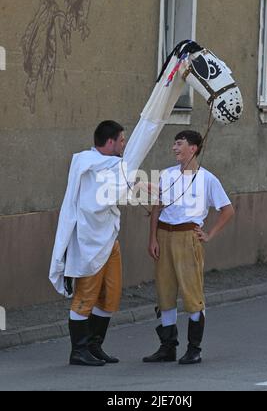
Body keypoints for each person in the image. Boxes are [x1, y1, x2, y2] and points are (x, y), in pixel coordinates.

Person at [49, 51, 187, 367]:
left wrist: (145, 189)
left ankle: (94, 345)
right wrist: (142, 189)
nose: (125, 145)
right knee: (85, 297)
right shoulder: (88, 164)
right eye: (122, 141)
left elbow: (119, 186)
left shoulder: (111, 167)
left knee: (110, 297)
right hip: (88, 241)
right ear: (110, 142)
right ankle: (78, 350)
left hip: (109, 241)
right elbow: (107, 193)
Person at [143, 130, 235, 365]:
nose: (174, 148)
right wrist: (152, 238)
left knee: (192, 294)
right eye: (174, 143)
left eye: (179, 144)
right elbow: (157, 208)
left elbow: (227, 210)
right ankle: (167, 347)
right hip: (165, 234)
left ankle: (194, 349)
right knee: (165, 291)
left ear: (193, 148)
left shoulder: (207, 179)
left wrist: (209, 234)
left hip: (188, 236)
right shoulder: (166, 174)